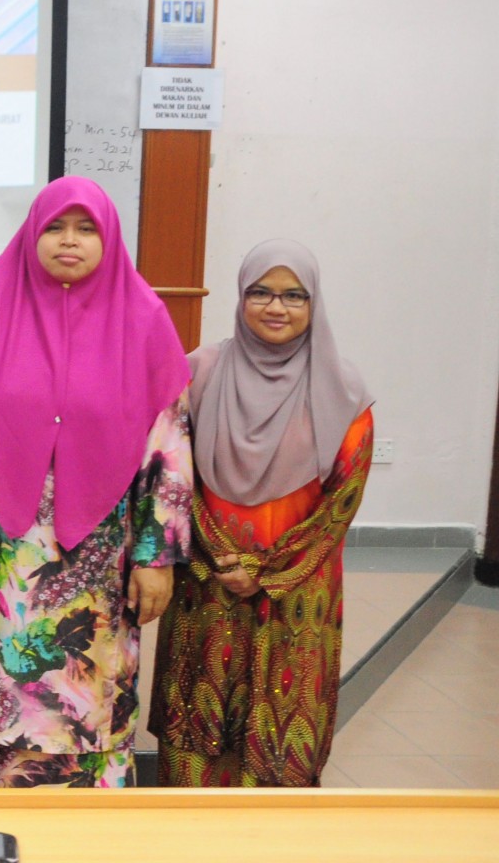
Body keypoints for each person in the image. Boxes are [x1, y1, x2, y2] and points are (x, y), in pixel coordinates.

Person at [0, 176, 193, 789]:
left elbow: (168, 448)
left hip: (99, 563)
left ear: (109, 239)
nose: (69, 241)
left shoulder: (143, 318)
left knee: (88, 707)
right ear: (32, 234)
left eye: (85, 229)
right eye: (54, 227)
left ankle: (85, 830)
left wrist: (156, 556)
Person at [150, 241, 374, 787]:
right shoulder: (198, 371)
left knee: (279, 731)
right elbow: (173, 473)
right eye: (261, 293)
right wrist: (222, 556)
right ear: (240, 297)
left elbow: (341, 501)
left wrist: (267, 573)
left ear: (314, 303)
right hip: (208, 581)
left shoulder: (343, 390)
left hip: (297, 591)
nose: (277, 307)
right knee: (198, 722)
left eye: (294, 295)